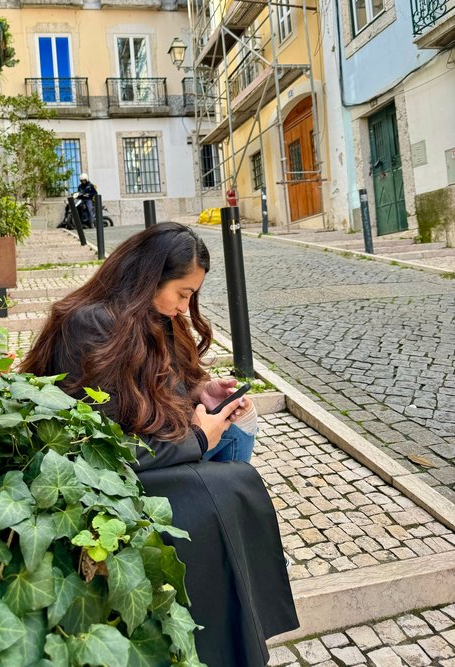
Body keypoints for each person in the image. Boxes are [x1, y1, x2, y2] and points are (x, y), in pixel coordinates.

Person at [21, 222, 299, 666]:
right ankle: (231, 645)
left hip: (148, 466)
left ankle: (241, 640)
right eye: (184, 293)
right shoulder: (90, 324)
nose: (186, 307)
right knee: (226, 491)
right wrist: (197, 438)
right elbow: (106, 450)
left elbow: (147, 394)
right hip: (101, 485)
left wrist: (198, 395)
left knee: (236, 480)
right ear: (150, 276)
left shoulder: (151, 316)